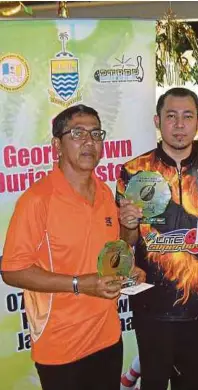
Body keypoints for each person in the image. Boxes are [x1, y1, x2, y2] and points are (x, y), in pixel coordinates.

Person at [1, 104, 145, 390]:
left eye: (96, 134)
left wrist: (130, 255)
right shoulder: (37, 200)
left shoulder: (104, 192)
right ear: (57, 144)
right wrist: (80, 284)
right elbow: (11, 270)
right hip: (61, 346)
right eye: (77, 133)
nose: (89, 142)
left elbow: (119, 248)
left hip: (107, 336)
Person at [117, 87, 198, 390]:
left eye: (187, 116)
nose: (179, 125)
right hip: (151, 302)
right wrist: (128, 225)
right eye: (171, 116)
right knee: (153, 382)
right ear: (158, 120)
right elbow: (127, 240)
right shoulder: (133, 171)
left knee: (195, 382)